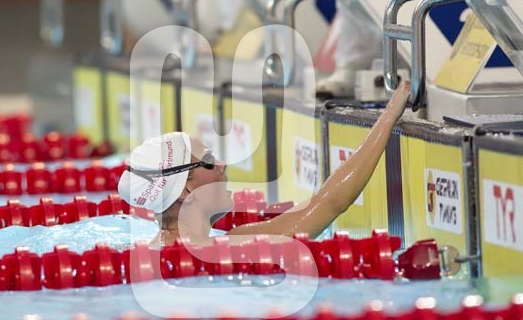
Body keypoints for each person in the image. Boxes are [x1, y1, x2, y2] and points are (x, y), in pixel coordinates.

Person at [118, 81, 411, 246]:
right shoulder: (232, 249)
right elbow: (329, 203)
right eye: (208, 162)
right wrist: (388, 116)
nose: (222, 165)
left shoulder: (143, 255)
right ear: (185, 191)